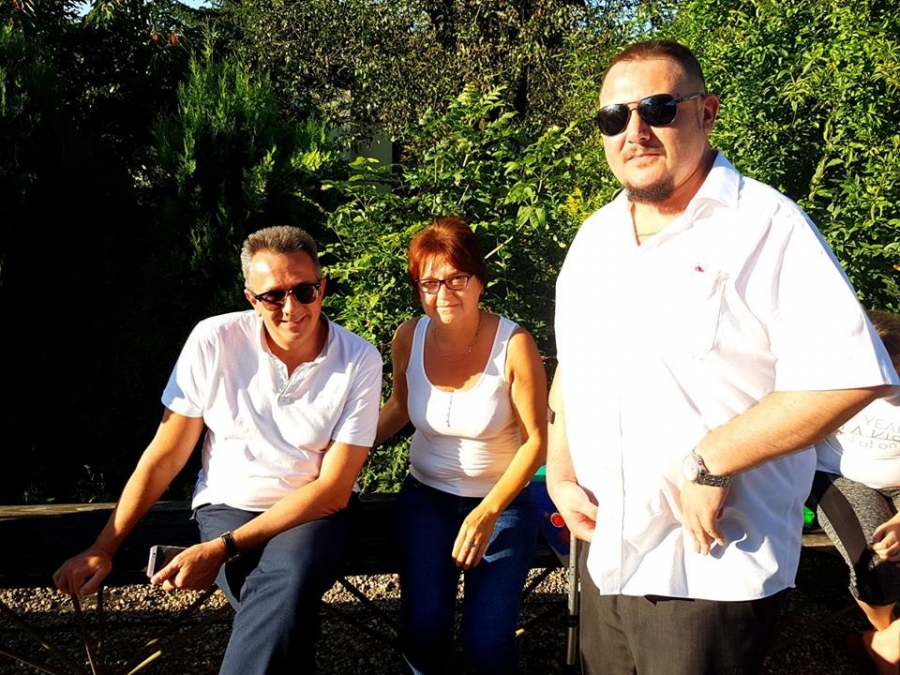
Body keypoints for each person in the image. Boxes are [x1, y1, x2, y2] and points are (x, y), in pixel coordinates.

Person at [546, 39, 900, 675]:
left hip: (710, 565)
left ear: (706, 112)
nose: (634, 132)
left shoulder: (766, 225)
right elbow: (576, 362)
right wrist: (562, 471)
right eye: (614, 117)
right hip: (606, 553)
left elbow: (847, 376)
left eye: (658, 109)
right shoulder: (595, 239)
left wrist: (711, 462)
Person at [53, 225, 383, 675]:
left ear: (321, 288)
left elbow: (334, 489)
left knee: (287, 581)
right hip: (230, 504)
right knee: (285, 607)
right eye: (274, 296)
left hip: (311, 511)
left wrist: (221, 549)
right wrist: (103, 547)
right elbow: (166, 455)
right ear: (252, 299)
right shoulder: (215, 340)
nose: (292, 308)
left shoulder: (359, 358)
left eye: (304, 291)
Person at [376, 216, 547, 675]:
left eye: (457, 279)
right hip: (425, 500)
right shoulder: (409, 336)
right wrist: (340, 452)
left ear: (479, 282)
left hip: (501, 505)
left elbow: (536, 442)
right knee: (423, 630)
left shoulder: (514, 345)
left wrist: (488, 511)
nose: (444, 293)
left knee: (486, 640)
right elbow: (399, 407)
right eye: (430, 283)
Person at [809, 309, 900, 675]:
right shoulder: (826, 381)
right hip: (838, 476)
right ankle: (887, 635)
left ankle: (885, 647)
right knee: (878, 568)